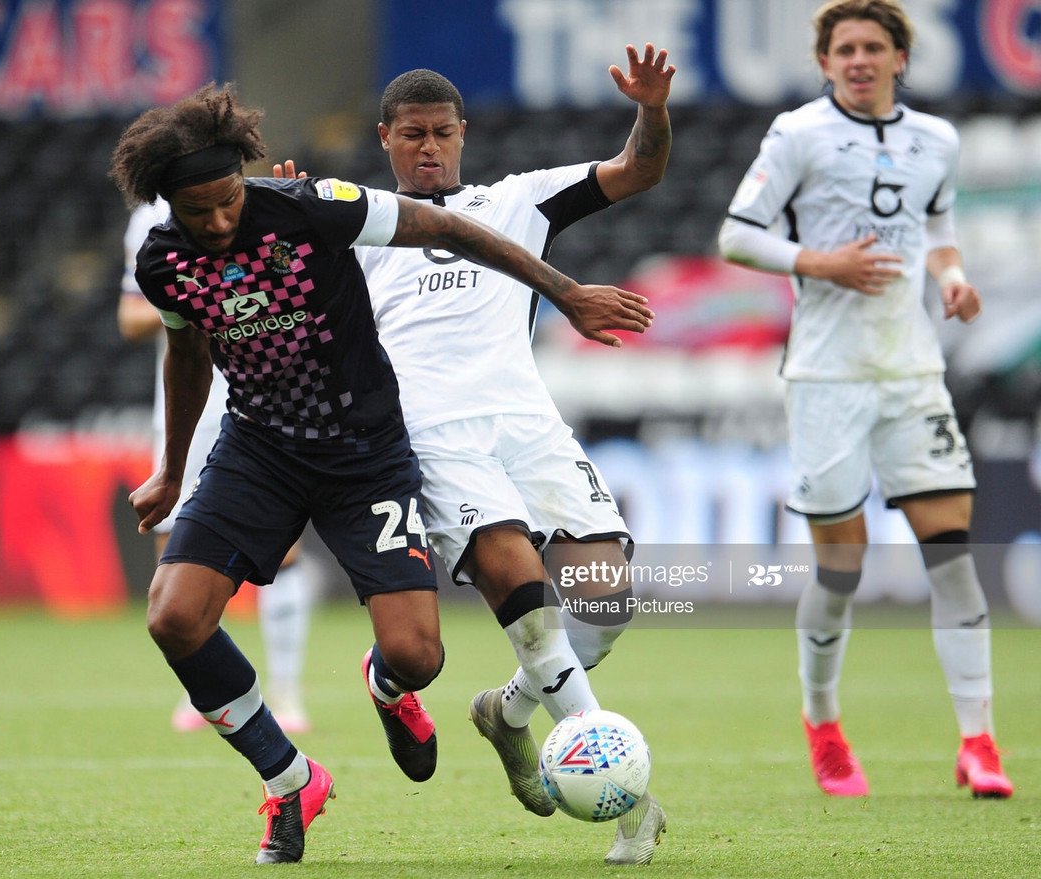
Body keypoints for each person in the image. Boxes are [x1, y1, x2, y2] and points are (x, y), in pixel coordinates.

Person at [110, 82, 655, 865]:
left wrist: (565, 293)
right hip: (261, 448)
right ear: (170, 205)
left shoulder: (311, 206)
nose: (222, 220)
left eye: (231, 199)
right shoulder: (164, 262)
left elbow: (444, 225)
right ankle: (289, 777)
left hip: (366, 452)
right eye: (201, 211)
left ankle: (394, 685)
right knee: (173, 615)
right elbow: (189, 350)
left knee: (419, 654)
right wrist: (170, 469)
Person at [279, 44, 674, 866]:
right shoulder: (356, 226)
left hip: (528, 424)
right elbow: (279, 300)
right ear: (385, 137)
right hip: (433, 436)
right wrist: (283, 223)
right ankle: (625, 796)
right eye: (414, 134)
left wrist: (652, 109)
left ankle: (510, 709)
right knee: (521, 589)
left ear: (463, 134)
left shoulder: (517, 200)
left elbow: (636, 171)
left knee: (607, 602)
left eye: (444, 133)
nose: (430, 147)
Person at [718, 0, 1012, 800]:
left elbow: (938, 231)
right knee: (840, 569)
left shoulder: (937, 141)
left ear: (898, 59)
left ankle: (979, 742)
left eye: (872, 47)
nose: (857, 59)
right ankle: (824, 726)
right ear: (824, 61)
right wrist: (820, 262)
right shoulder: (797, 134)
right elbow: (737, 234)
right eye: (843, 48)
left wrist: (951, 281)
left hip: (911, 373)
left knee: (952, 556)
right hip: (825, 378)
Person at [117, 199, 313, 735]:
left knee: (281, 541)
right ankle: (201, 692)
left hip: (261, 384)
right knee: (175, 537)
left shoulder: (253, 205)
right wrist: (192, 304)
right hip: (187, 393)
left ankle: (288, 692)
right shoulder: (151, 222)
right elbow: (131, 315)